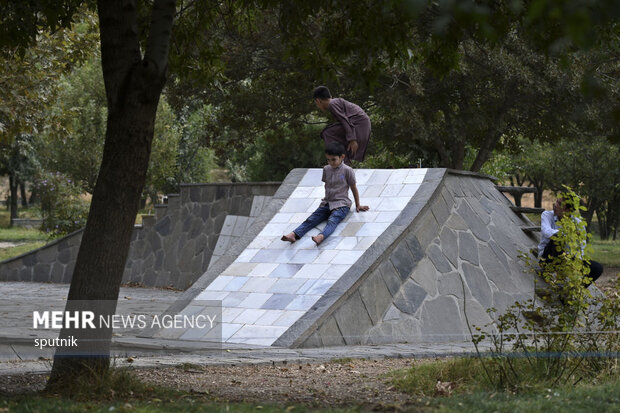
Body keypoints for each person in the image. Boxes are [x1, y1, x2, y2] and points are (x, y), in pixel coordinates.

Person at [281, 142, 369, 246]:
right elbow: (327, 185)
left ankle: (321, 236)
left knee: (332, 221)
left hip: (342, 205)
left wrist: (358, 205)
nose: (331, 162)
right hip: (327, 203)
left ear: (342, 157)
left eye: (333, 159)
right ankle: (294, 234)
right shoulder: (326, 169)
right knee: (312, 219)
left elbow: (354, 188)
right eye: (328, 159)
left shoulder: (347, 171)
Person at [538, 196, 603, 288]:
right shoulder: (547, 215)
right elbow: (547, 231)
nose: (555, 205)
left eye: (560, 204)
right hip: (547, 258)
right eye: (556, 201)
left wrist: (575, 264)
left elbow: (581, 247)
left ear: (568, 210)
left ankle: (572, 290)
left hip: (568, 260)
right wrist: (567, 235)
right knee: (557, 239)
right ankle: (556, 275)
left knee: (597, 268)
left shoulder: (578, 224)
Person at [313, 86, 371, 165]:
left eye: (316, 104)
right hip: (362, 126)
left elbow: (344, 120)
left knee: (327, 133)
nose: (318, 107)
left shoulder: (332, 104)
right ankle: (343, 161)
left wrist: (352, 139)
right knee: (333, 135)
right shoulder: (335, 102)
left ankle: (342, 163)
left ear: (318, 101)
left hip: (358, 125)